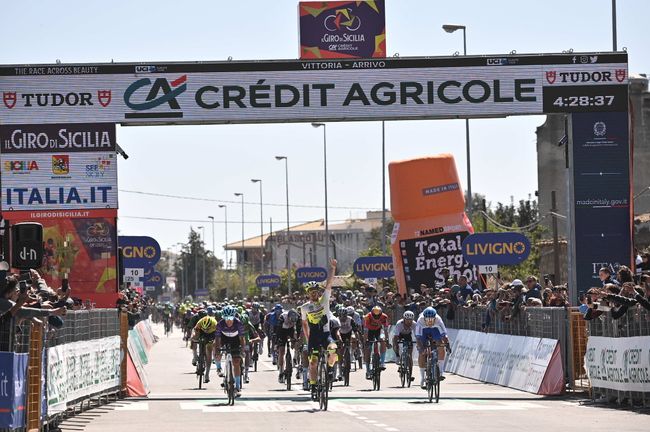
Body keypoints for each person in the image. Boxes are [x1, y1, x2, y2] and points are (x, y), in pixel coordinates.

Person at [300, 259, 338, 394]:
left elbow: (329, 284)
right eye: (311, 292)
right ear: (308, 293)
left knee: (333, 350)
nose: (314, 294)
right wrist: (307, 336)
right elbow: (304, 323)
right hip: (314, 338)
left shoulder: (324, 300)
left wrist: (332, 268)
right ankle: (314, 385)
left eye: (315, 291)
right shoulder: (304, 308)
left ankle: (330, 369)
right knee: (313, 363)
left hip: (326, 334)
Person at [215, 305, 246, 398]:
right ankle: (218, 366)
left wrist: (242, 349)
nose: (228, 320)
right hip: (224, 338)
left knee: (236, 362)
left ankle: (237, 386)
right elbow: (217, 338)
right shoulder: (220, 324)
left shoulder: (238, 323)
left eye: (231, 318)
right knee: (215, 347)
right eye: (226, 318)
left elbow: (242, 338)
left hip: (235, 339)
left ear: (234, 317)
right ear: (223, 317)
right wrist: (217, 350)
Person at [415, 307, 450, 389]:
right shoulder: (420, 320)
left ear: (435, 318)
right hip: (423, 331)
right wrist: (421, 348)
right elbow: (418, 338)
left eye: (432, 320)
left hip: (435, 330)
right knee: (422, 353)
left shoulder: (438, 319)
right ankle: (423, 378)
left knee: (441, 345)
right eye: (428, 320)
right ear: (424, 318)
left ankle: (441, 372)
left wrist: (447, 345)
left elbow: (444, 335)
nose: (430, 322)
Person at [363, 305, 390, 379]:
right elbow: (365, 331)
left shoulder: (384, 317)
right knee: (368, 349)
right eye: (375, 316)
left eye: (378, 317)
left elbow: (385, 330)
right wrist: (365, 341)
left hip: (379, 331)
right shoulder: (367, 317)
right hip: (369, 332)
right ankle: (368, 370)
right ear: (372, 314)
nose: (376, 318)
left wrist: (387, 340)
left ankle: (382, 362)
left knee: (382, 340)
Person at [192, 306, 218, 383]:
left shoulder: (215, 323)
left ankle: (207, 374)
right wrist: (194, 339)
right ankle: (196, 356)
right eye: (205, 328)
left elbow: (218, 336)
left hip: (212, 334)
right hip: (201, 332)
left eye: (207, 329)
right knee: (194, 340)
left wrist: (214, 342)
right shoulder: (199, 323)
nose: (206, 330)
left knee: (209, 352)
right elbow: (196, 333)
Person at [275, 308, 299, 384]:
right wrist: (277, 342)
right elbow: (278, 331)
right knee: (282, 350)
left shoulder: (298, 318)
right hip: (282, 330)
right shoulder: (283, 317)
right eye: (291, 320)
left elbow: (298, 329)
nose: (292, 322)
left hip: (291, 330)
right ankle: (281, 371)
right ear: (288, 317)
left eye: (293, 321)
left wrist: (295, 339)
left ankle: (295, 359)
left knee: (296, 343)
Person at [392, 310, 416, 383]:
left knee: (410, 355)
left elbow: (417, 335)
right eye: (407, 320)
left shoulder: (414, 324)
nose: (409, 322)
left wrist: (418, 341)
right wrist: (396, 344)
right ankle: (397, 355)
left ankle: (410, 374)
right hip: (400, 335)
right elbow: (396, 336)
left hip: (408, 335)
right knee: (395, 341)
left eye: (410, 320)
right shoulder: (399, 323)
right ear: (404, 319)